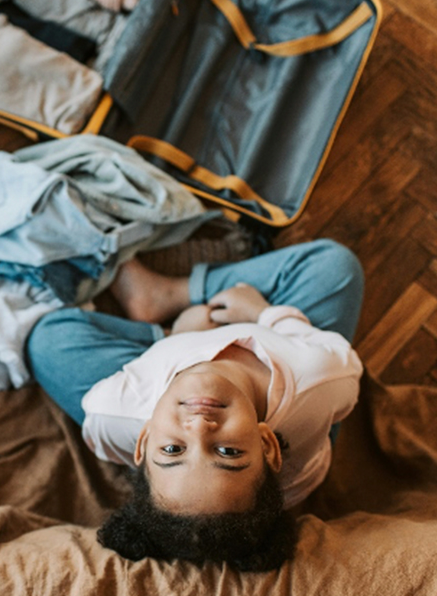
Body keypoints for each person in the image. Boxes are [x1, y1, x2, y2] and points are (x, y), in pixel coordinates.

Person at [25, 238, 365, 572]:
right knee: (334, 266)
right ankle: (181, 299)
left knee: (47, 341)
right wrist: (263, 313)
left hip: (162, 359)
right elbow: (328, 352)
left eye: (173, 449)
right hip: (284, 349)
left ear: (141, 443)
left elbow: (62, 356)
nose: (200, 426)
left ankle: (160, 309)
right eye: (229, 453)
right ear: (267, 444)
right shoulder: (321, 378)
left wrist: (175, 337)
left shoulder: (115, 412)